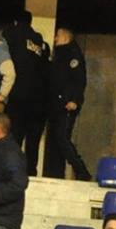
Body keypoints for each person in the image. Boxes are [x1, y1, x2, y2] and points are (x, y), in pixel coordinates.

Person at [0, 14, 49, 159]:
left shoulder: (14, 34)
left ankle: (13, 167)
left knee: (15, 136)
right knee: (33, 141)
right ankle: (30, 169)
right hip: (38, 99)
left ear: (16, 22)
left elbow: (5, 36)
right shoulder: (38, 40)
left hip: (18, 94)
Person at [44, 27, 88, 179]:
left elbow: (79, 80)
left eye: (58, 36)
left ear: (66, 38)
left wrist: (74, 100)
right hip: (56, 104)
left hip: (66, 104)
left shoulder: (73, 55)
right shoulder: (59, 56)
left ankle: (81, 171)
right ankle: (55, 173)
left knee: (62, 138)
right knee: (54, 140)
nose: (55, 39)